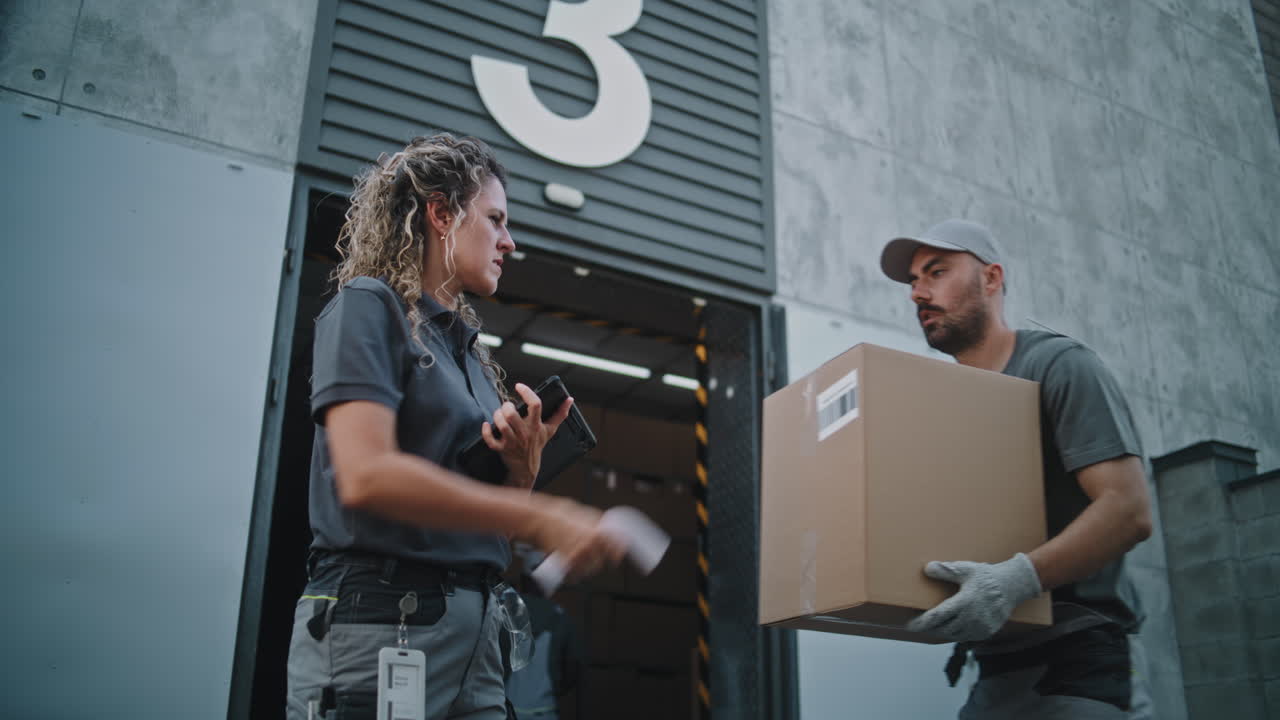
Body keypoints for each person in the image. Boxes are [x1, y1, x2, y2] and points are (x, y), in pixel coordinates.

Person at [286, 133, 627, 720]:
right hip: (385, 622)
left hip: (477, 641)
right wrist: (539, 515)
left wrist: (522, 473)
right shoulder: (368, 305)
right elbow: (366, 477)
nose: (509, 241)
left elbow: (480, 527)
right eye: (494, 219)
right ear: (441, 213)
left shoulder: (468, 352)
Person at [878, 219, 1154, 718]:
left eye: (936, 272)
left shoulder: (1060, 365)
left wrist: (1013, 582)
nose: (918, 292)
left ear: (991, 278)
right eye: (913, 281)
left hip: (1082, 658)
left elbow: (1129, 509)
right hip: (996, 666)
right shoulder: (945, 407)